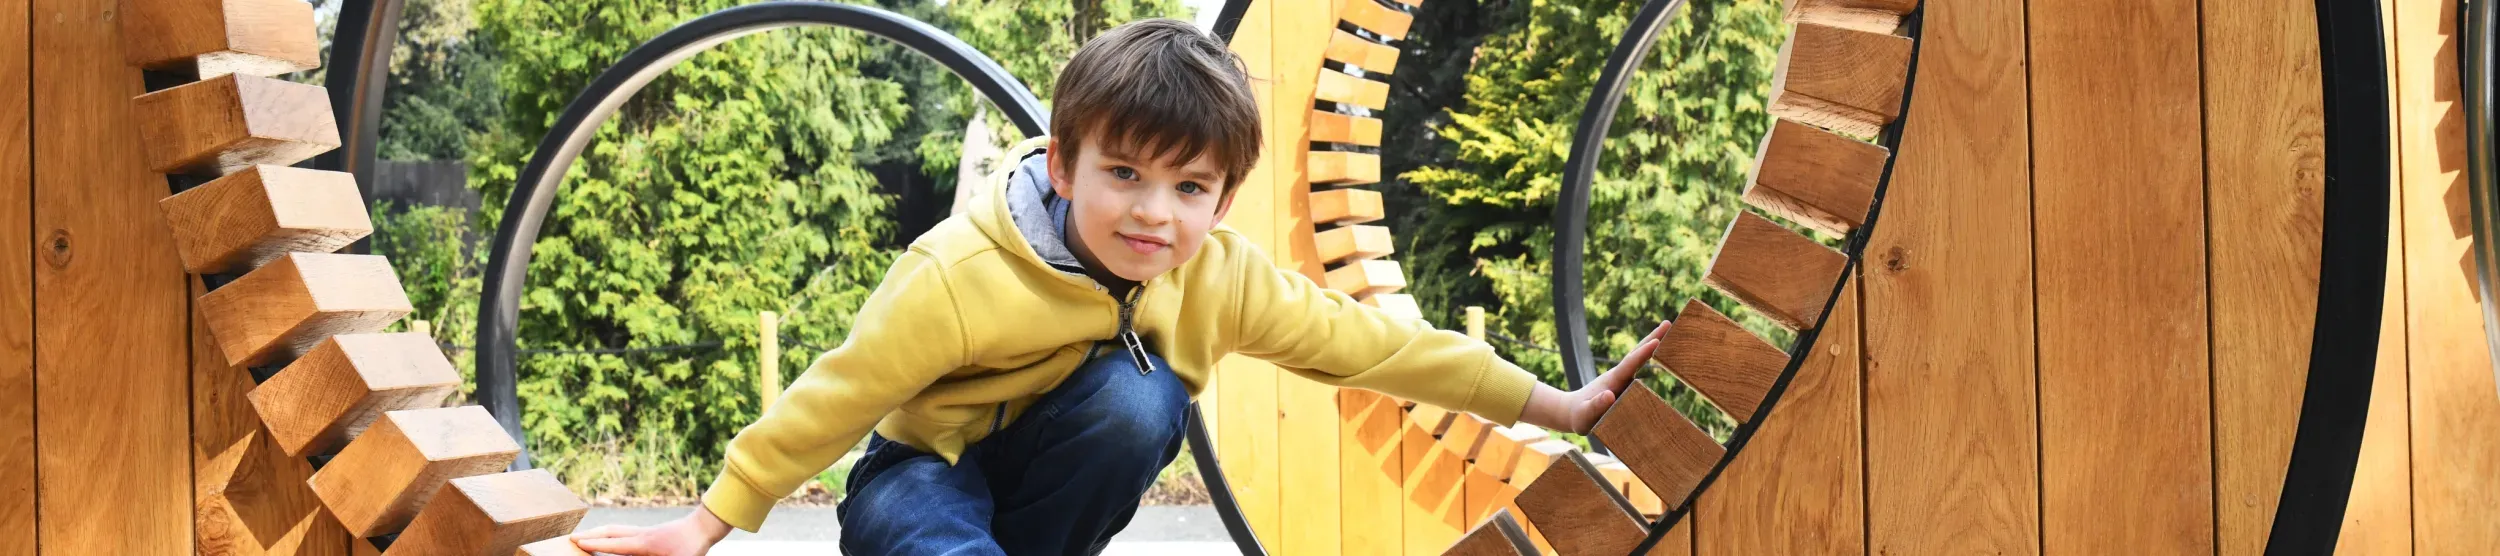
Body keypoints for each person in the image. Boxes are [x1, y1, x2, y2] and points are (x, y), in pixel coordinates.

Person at [568, 18, 1669, 555]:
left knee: (1145, 398)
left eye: (1189, 187)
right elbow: (841, 390)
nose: (1154, 212)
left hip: (1053, 491)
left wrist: (1555, 407)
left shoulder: (1221, 281)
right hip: (921, 473)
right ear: (1063, 165)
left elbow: (1378, 345)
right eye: (1125, 174)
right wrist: (713, 521)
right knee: (933, 528)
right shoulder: (960, 272)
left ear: (1223, 197)